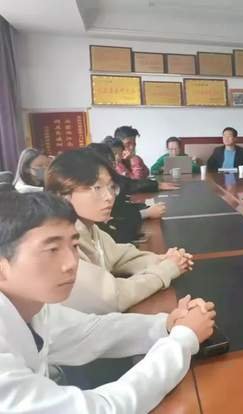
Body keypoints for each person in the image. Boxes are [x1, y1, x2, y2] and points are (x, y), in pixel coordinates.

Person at [0, 191, 215, 413]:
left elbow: (89, 332)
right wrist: (182, 341)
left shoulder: (32, 307)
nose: (71, 263)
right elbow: (103, 409)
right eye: (52, 250)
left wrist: (166, 324)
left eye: (74, 246)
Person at [45, 149, 193, 314]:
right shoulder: (58, 243)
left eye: (111, 187)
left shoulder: (89, 228)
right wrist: (166, 270)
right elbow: (113, 297)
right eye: (97, 188)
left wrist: (163, 259)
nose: (109, 196)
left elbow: (120, 256)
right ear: (62, 194)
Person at [87, 143, 167, 243]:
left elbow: (131, 183)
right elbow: (114, 236)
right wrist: (146, 213)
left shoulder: (112, 181)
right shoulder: (90, 196)